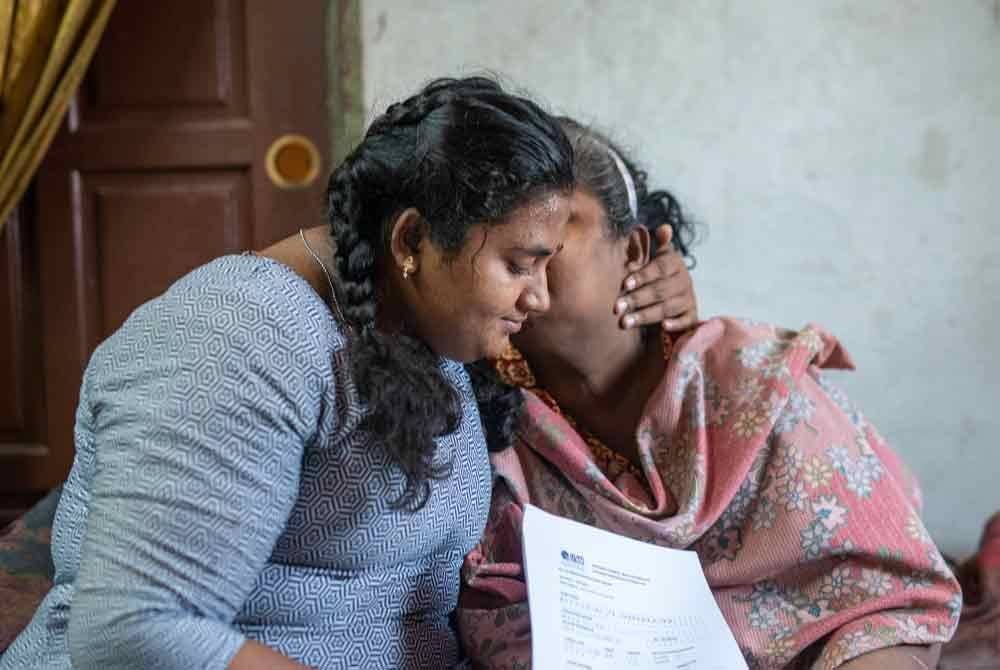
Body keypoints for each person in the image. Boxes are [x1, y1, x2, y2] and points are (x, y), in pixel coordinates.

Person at [457, 118, 961, 669]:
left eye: (558, 220)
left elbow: (889, 603)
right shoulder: (496, 431)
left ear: (634, 251)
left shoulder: (753, 386)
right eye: (504, 229)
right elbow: (503, 624)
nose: (529, 243)